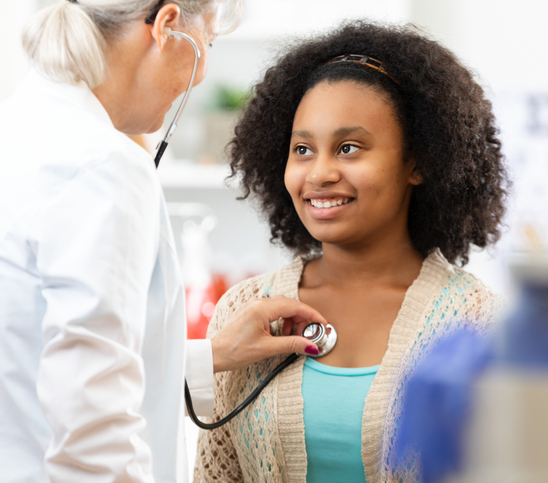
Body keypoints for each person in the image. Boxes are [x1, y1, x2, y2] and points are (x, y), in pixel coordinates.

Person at [0, 1, 327, 482]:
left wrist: (210, 355)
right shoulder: (102, 165)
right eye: (210, 42)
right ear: (168, 26)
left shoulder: (22, 128)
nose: (197, 79)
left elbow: (38, 357)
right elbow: (92, 432)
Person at [194, 21, 509, 482]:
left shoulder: (479, 323)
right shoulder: (243, 311)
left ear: (417, 162)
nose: (319, 172)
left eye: (348, 147)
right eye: (302, 149)